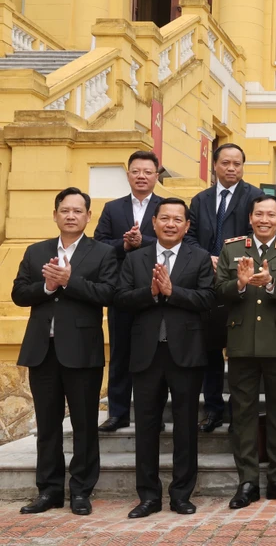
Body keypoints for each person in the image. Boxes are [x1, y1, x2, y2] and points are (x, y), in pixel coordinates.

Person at [12, 188, 117, 516]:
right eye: (65, 210)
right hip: (42, 350)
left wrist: (71, 281)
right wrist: (47, 287)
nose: (71, 216)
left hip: (82, 351)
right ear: (55, 214)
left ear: (88, 216)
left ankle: (82, 490)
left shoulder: (102, 253)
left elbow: (109, 294)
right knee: (47, 425)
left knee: (85, 424)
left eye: (77, 211)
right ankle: (49, 490)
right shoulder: (35, 251)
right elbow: (19, 293)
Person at [116, 198, 215, 519]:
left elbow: (208, 299)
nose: (171, 224)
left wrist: (173, 291)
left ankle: (181, 494)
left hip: (185, 353)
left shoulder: (199, 257)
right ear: (154, 223)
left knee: (186, 427)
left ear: (187, 226)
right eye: (165, 218)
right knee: (146, 427)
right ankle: (148, 496)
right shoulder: (135, 258)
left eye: (178, 219)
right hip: (146, 354)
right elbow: (120, 298)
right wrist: (152, 293)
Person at [215, 195, 276, 509]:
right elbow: (218, 291)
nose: (264, 219)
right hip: (241, 342)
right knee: (243, 414)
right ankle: (248, 480)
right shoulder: (232, 248)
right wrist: (239, 285)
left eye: (270, 215)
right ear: (250, 218)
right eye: (258, 214)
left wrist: (270, 284)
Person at [185, 143, 263, 434]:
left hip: (243, 282)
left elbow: (261, 233)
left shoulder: (254, 196)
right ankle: (214, 409)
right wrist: (208, 257)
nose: (232, 168)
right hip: (208, 283)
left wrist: (230, 260)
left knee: (242, 353)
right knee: (210, 350)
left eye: (237, 164)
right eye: (226, 163)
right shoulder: (201, 199)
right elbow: (189, 236)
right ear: (214, 165)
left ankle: (241, 413)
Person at [94, 150, 163, 432]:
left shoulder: (168, 206)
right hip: (121, 289)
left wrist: (143, 240)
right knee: (121, 351)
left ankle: (153, 416)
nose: (141, 176)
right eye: (136, 171)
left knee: (154, 356)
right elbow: (98, 244)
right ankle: (118, 412)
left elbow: (173, 239)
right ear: (128, 175)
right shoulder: (113, 208)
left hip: (155, 287)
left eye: (147, 171)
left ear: (156, 176)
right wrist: (123, 244)